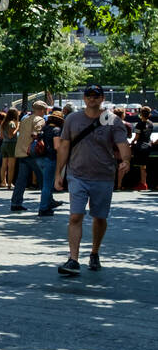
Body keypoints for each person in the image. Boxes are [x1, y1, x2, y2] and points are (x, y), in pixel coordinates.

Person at [55, 85, 130, 274]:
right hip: (77, 175)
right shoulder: (72, 119)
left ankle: (94, 252)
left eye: (96, 96)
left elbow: (122, 143)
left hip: (103, 176)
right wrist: (59, 173)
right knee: (75, 216)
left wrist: (126, 160)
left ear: (102, 98)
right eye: (88, 95)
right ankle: (73, 259)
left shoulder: (112, 120)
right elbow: (64, 146)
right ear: (84, 98)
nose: (92, 99)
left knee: (99, 217)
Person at [10, 101, 48, 211]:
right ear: (42, 110)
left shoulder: (25, 119)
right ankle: (46, 203)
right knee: (43, 178)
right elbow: (36, 134)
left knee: (21, 179)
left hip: (21, 152)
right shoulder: (39, 119)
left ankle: (15, 203)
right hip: (32, 153)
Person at [130, 106, 152, 191]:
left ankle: (143, 183)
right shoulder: (150, 124)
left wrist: (132, 142)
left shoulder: (139, 124)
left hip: (141, 147)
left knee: (142, 166)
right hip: (148, 145)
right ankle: (143, 182)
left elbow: (137, 137)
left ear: (141, 114)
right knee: (145, 166)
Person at [0, 108, 20, 189]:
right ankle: (10, 184)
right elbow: (11, 135)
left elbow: (1, 136)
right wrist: (18, 127)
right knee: (11, 166)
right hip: (11, 145)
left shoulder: (3, 123)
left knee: (4, 165)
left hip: (4, 144)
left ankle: (3, 182)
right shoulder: (12, 123)